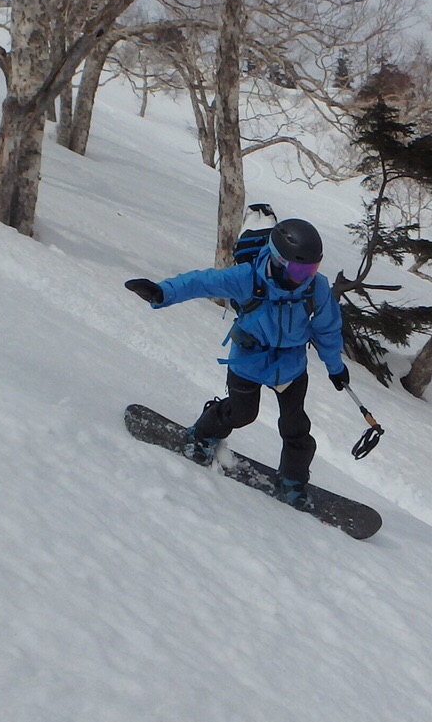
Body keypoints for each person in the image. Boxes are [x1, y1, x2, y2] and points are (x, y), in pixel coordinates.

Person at [126, 218, 349, 511]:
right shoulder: (248, 278)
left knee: (295, 426)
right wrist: (163, 292)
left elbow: (328, 330)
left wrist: (335, 367)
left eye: (312, 268)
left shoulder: (315, 289)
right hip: (249, 358)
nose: (306, 275)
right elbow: (202, 282)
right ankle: (202, 435)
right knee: (243, 413)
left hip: (290, 364)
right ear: (280, 261)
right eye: (300, 269)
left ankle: (293, 481)